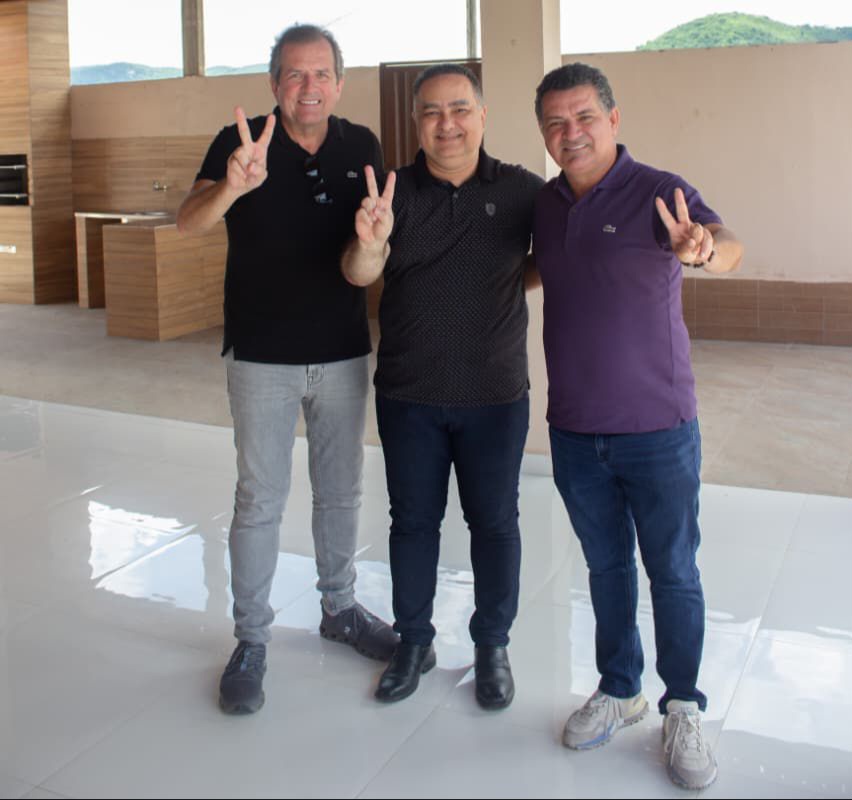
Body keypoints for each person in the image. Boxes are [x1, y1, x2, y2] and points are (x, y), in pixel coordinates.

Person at [532, 63, 743, 790]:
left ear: (613, 119)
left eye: (584, 117)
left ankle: (682, 705)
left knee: (673, 571)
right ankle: (620, 689)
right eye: (556, 122)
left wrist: (703, 249)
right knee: (605, 567)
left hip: (658, 426)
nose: (571, 133)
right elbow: (537, 266)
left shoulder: (659, 190)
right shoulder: (545, 204)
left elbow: (726, 242)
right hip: (574, 428)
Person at [176, 24, 397, 716]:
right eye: (295, 74)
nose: (309, 86)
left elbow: (364, 258)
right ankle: (250, 639)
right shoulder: (239, 140)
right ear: (275, 83)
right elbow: (188, 221)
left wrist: (375, 241)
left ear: (340, 83)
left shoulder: (360, 146)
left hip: (341, 352)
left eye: (321, 73)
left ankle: (340, 608)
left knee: (340, 492)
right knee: (259, 500)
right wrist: (231, 185)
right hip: (260, 355)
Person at [341, 64, 544, 709]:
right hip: (410, 394)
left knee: (495, 523)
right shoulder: (391, 192)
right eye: (431, 111)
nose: (446, 124)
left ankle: (492, 645)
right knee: (412, 523)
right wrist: (371, 241)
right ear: (416, 122)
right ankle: (413, 641)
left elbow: (546, 261)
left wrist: (504, 282)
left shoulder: (522, 190)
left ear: (482, 115)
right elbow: (359, 271)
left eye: (459, 109)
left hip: (495, 394)